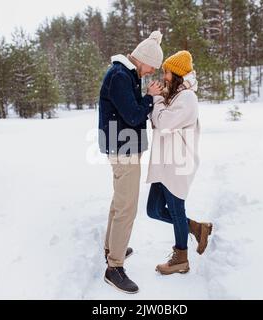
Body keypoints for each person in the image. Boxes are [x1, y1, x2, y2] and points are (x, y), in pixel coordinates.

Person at [98, 31, 164, 293]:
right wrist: (149, 97)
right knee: (127, 207)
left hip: (122, 145)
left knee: (119, 202)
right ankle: (114, 267)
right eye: (152, 67)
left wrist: (145, 95)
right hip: (122, 148)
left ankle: (111, 247)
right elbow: (135, 115)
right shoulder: (121, 76)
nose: (152, 72)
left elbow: (130, 112)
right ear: (143, 60)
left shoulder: (126, 74)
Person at [146, 50, 213, 276]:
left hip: (177, 162)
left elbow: (163, 122)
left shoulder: (187, 98)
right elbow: (158, 120)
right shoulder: (174, 95)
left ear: (176, 74)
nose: (164, 76)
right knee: (153, 210)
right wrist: (159, 101)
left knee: (175, 210)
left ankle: (180, 258)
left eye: (167, 72)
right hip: (165, 162)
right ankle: (196, 227)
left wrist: (156, 99)